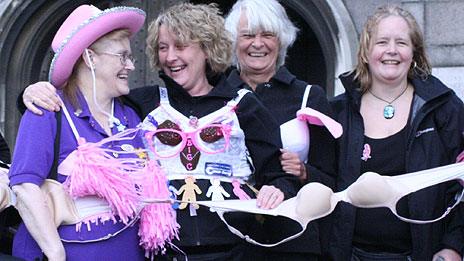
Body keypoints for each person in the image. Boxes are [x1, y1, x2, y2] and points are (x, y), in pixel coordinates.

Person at [19, 3, 299, 260]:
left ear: (206, 48)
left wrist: (277, 189)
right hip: (162, 253)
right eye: (163, 48)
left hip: (235, 251)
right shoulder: (144, 102)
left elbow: (278, 174)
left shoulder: (245, 106)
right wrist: (31, 93)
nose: (170, 57)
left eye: (180, 46)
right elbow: (86, 100)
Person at [8, 5, 146, 261]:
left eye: (130, 57)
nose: (131, 66)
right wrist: (55, 253)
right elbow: (25, 186)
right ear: (90, 58)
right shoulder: (49, 110)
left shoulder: (131, 118)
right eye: (122, 56)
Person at [329, 5, 464, 261]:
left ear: (414, 53)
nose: (391, 50)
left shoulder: (444, 109)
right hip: (351, 255)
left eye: (401, 42)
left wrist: (454, 246)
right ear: (366, 52)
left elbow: (461, 186)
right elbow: (323, 184)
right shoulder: (339, 111)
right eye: (382, 42)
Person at [224, 0, 338, 260]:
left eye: (267, 34)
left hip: (295, 242)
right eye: (248, 35)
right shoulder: (216, 96)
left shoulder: (309, 96)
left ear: (282, 39)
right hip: (230, 239)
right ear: (233, 41)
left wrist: (303, 172)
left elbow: (333, 182)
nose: (258, 43)